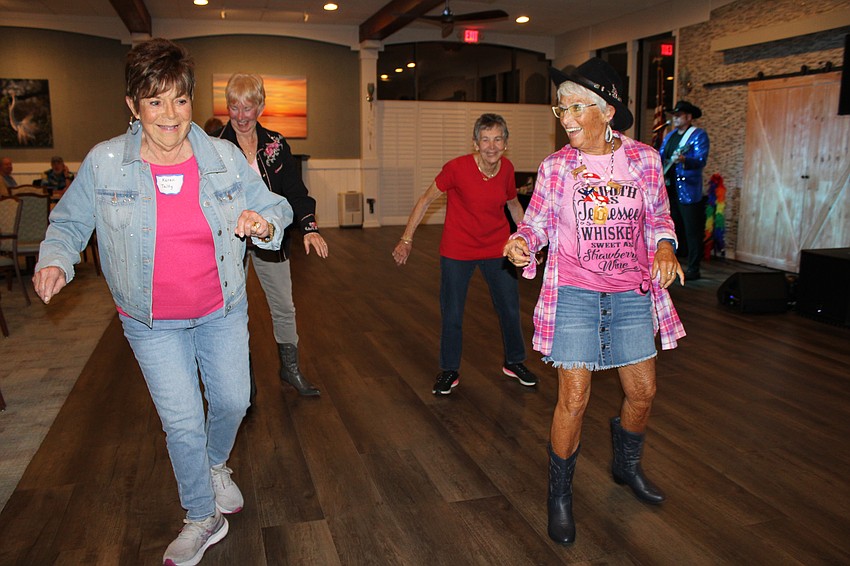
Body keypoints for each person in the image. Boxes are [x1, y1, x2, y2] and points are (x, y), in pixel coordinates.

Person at [32, 38, 292, 566]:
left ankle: (215, 464)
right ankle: (201, 515)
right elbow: (69, 221)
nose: (169, 115)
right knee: (181, 422)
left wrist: (263, 223)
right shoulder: (106, 163)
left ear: (190, 100)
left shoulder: (221, 157)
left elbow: (274, 204)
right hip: (150, 321)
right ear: (133, 105)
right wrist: (56, 256)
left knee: (233, 403)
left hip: (222, 307)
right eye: (154, 101)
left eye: (178, 99)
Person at [503, 58, 686, 545]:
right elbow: (537, 223)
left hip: (631, 294)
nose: (565, 117)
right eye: (560, 107)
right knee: (573, 398)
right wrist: (522, 241)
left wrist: (665, 247)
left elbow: (660, 220)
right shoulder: (556, 166)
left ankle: (626, 467)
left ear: (607, 111)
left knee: (643, 392)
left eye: (576, 107)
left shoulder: (645, 161)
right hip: (577, 294)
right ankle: (559, 496)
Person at [392, 113, 538, 395]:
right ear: (475, 143)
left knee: (509, 306)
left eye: (498, 139)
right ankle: (449, 370)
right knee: (453, 312)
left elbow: (513, 205)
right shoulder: (456, 168)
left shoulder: (507, 169)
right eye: (485, 139)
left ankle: (514, 362)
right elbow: (425, 201)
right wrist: (406, 239)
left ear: (505, 143)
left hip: (497, 247)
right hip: (458, 249)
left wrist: (526, 239)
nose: (492, 146)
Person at [217, 73, 328, 397]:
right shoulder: (215, 146)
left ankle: (289, 368)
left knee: (283, 305)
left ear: (260, 107)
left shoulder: (276, 145)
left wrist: (308, 226)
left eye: (247, 107)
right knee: (234, 311)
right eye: (233, 107)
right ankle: (243, 383)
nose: (240, 116)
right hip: (231, 241)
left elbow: (295, 191)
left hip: (271, 238)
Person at [660, 100, 709, 280]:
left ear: (688, 117)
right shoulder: (671, 135)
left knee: (692, 230)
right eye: (674, 116)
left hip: (688, 190)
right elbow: (661, 155)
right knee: (673, 228)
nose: (675, 119)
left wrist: (685, 160)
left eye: (679, 115)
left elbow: (701, 160)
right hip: (670, 188)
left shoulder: (698, 135)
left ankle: (694, 268)